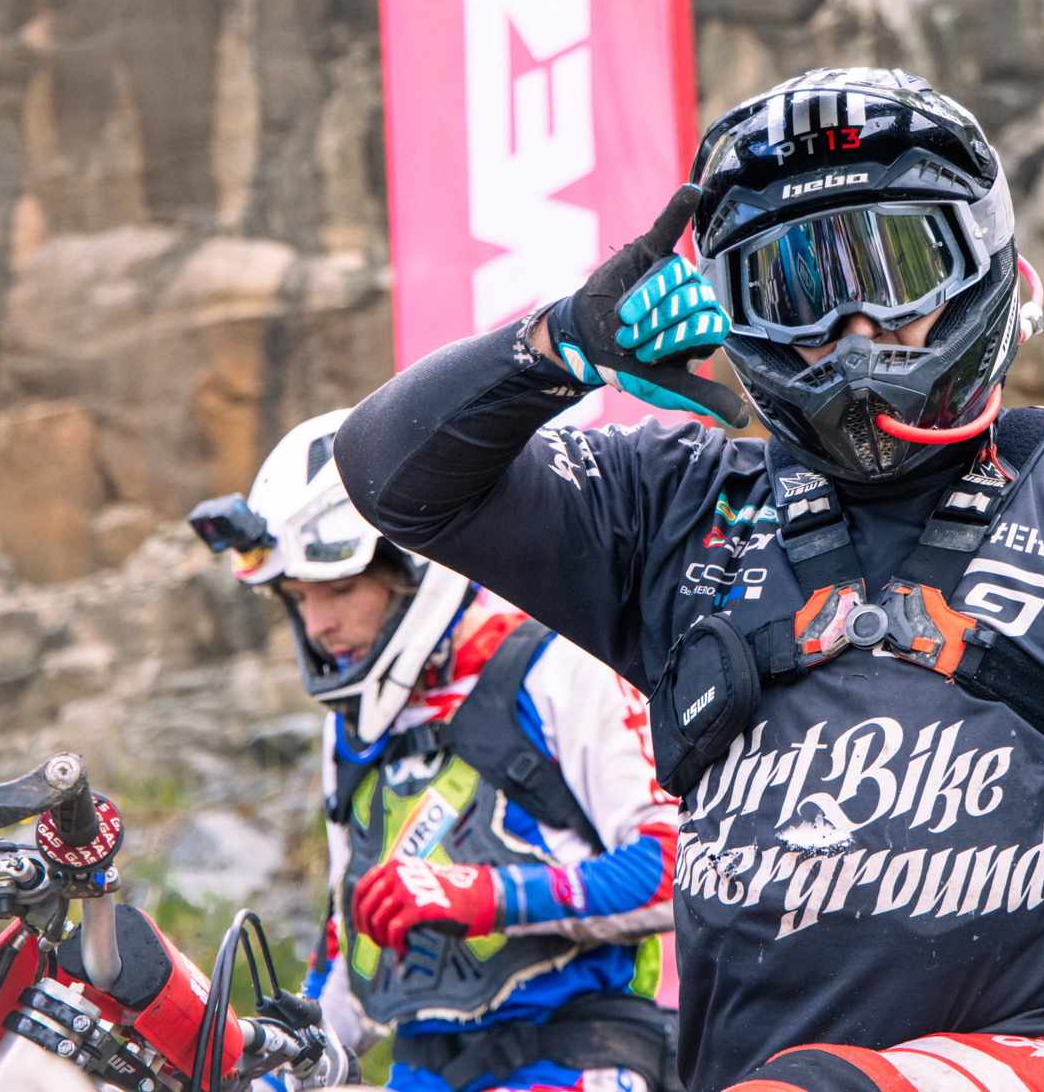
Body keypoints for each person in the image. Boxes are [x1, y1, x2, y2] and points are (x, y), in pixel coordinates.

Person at [333, 68, 1044, 1092]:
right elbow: (390, 473)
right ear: (738, 312)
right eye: (796, 287)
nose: (854, 328)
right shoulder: (677, 508)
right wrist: (561, 341)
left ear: (980, 261)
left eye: (895, 269)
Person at [186, 410, 682, 1092]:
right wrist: (273, 1064)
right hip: (420, 1073)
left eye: (339, 588)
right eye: (297, 597)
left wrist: (487, 894)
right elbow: (350, 953)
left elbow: (676, 871)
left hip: (575, 1061)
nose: (318, 623)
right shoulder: (352, 727)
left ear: (415, 567)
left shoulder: (560, 663)